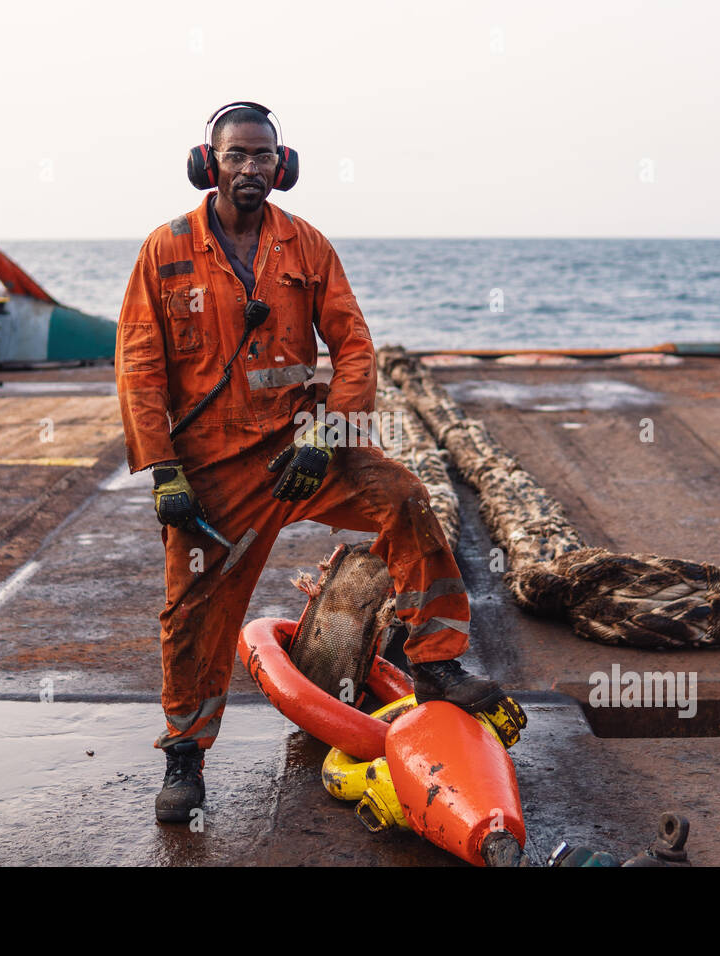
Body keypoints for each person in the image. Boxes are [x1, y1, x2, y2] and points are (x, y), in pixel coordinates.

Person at [115, 102, 516, 824]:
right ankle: (184, 753)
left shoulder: (306, 247)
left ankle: (434, 664)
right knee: (191, 616)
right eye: (236, 155)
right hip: (213, 473)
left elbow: (354, 346)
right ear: (208, 163)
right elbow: (139, 368)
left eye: (263, 155)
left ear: (284, 164)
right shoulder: (165, 251)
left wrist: (327, 433)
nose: (250, 169)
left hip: (304, 447)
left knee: (403, 498)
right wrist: (164, 468)